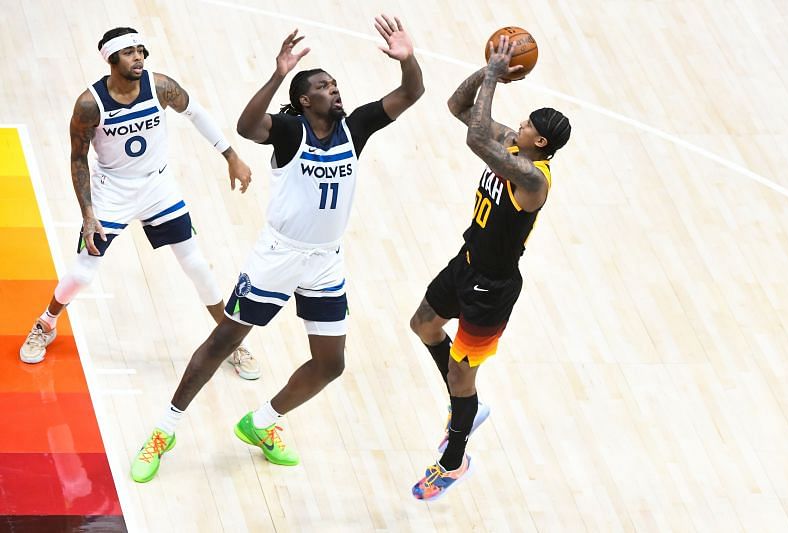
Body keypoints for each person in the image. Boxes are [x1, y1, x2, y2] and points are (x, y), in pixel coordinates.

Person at [129, 14, 424, 483]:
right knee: (224, 341)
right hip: (278, 257)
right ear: (306, 100)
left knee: (332, 364)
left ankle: (261, 423)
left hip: (326, 259)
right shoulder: (291, 133)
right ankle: (163, 432)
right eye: (326, 86)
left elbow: (410, 95)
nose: (337, 90)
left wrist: (408, 61)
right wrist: (278, 73)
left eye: (336, 84)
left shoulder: (356, 127)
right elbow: (247, 126)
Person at [18, 27, 262, 380]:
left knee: (196, 265)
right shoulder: (90, 104)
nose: (139, 58)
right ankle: (46, 323)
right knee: (82, 272)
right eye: (130, 52)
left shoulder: (159, 86)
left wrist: (231, 156)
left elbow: (196, 113)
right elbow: (77, 159)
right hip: (112, 191)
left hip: (158, 187)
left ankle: (229, 342)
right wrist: (88, 213)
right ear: (112, 59)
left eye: (141, 51)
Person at [408, 36, 572, 501]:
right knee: (422, 324)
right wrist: (486, 72)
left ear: (539, 142)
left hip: (492, 287)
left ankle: (453, 462)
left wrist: (497, 79)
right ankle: (467, 408)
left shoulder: (532, 178)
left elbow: (475, 135)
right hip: (465, 262)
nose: (516, 125)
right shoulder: (510, 146)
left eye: (525, 125)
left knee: (464, 378)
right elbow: (458, 106)